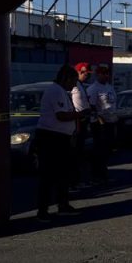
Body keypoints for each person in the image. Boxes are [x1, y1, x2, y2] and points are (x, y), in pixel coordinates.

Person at [35, 64, 81, 221]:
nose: (74, 85)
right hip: (51, 138)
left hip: (61, 137)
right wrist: (78, 115)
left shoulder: (62, 91)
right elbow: (61, 115)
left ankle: (63, 205)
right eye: (73, 81)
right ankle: (42, 211)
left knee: (63, 174)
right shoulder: (55, 91)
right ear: (66, 78)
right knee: (48, 175)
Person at [87, 63, 118, 184]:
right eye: (103, 73)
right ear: (98, 74)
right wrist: (100, 119)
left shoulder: (109, 87)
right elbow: (92, 106)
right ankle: (97, 174)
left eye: (107, 73)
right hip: (100, 123)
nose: (106, 76)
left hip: (111, 121)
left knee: (108, 149)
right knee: (100, 149)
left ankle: (103, 172)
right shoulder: (93, 89)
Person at [69, 62, 93, 188]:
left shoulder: (82, 86)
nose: (87, 76)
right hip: (76, 122)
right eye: (84, 73)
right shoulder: (74, 87)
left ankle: (78, 179)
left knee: (80, 153)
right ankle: (74, 181)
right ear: (78, 72)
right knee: (75, 153)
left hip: (83, 121)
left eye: (88, 74)